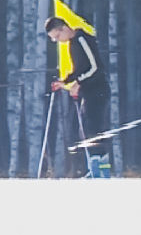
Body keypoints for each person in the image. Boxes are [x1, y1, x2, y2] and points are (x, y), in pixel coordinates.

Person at [45, 17, 112, 178]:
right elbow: (78, 69)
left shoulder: (82, 39)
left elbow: (95, 67)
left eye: (56, 37)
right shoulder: (72, 44)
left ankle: (97, 169)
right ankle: (101, 169)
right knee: (88, 128)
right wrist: (65, 81)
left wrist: (78, 82)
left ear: (63, 29)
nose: (58, 41)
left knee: (92, 128)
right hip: (88, 91)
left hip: (98, 89)